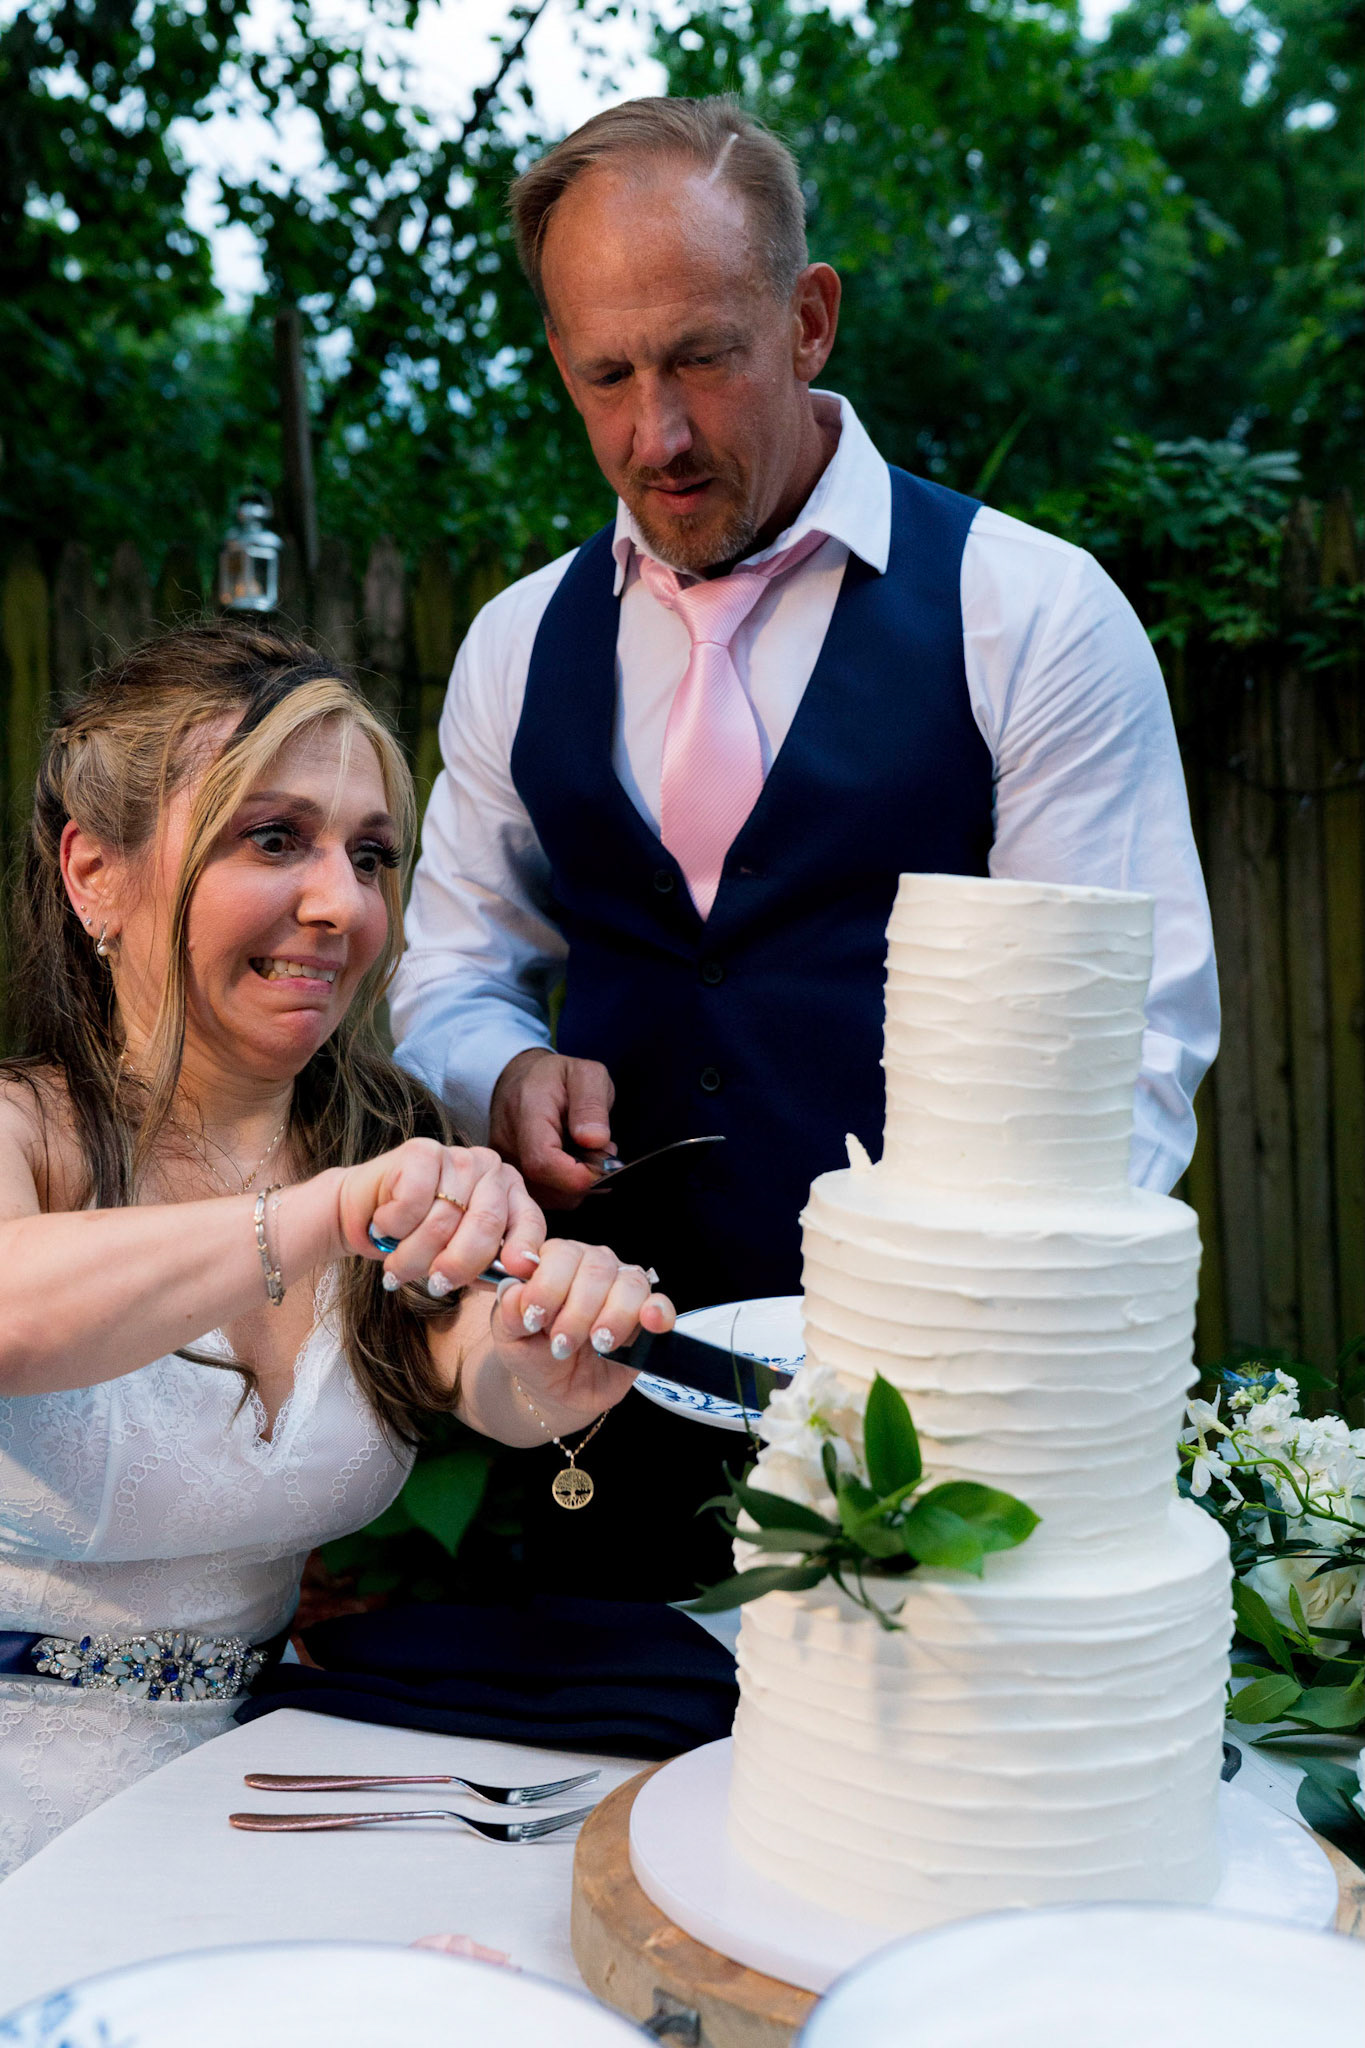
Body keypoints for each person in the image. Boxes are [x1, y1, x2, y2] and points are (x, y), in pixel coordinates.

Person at [390, 95, 1218, 1592]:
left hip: (954, 1459)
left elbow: (1130, 1055)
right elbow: (449, 975)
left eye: (704, 354)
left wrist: (952, 1349)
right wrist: (501, 1072)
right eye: (606, 374)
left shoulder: (1029, 618)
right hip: (603, 1433)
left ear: (810, 319)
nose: (659, 433)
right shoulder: (517, 646)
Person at [0, 620, 673, 1878]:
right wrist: (313, 1216)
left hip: (263, 1801)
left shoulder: (386, 1134)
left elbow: (470, 1357)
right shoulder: (23, 1130)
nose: (341, 902)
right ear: (95, 871)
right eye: (274, 838)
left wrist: (556, 1354)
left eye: (370, 855)